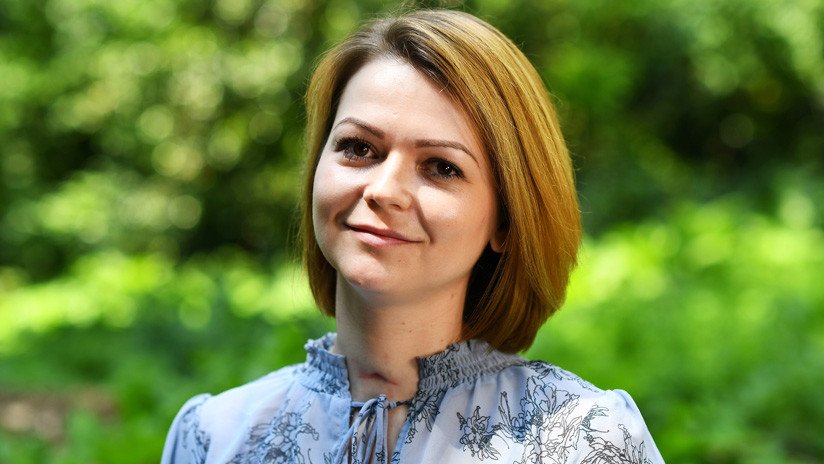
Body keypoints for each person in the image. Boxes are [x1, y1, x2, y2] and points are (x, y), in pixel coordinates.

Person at [162, 9, 664, 464]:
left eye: (441, 167)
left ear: (506, 221)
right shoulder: (213, 437)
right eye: (359, 148)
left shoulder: (582, 441)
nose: (384, 190)